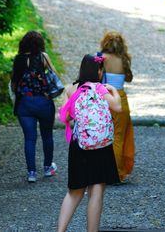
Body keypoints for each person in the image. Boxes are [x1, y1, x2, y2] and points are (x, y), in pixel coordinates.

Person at [57, 54, 122, 232]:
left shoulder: (71, 88)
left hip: (79, 144)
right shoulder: (100, 88)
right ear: (99, 71)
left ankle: (60, 230)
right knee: (96, 192)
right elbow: (117, 107)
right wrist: (114, 91)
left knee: (74, 192)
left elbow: (64, 116)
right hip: (100, 145)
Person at [11, 31, 57, 182]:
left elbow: (14, 84)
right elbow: (54, 76)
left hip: (25, 104)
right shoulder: (43, 57)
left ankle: (32, 173)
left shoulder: (19, 60)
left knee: (29, 139)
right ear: (40, 44)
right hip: (44, 102)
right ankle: (48, 168)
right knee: (47, 136)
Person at [99, 30, 135, 183]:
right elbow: (129, 78)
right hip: (120, 98)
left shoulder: (100, 58)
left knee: (102, 135)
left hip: (104, 97)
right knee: (118, 136)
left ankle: (101, 171)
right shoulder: (124, 59)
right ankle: (116, 172)